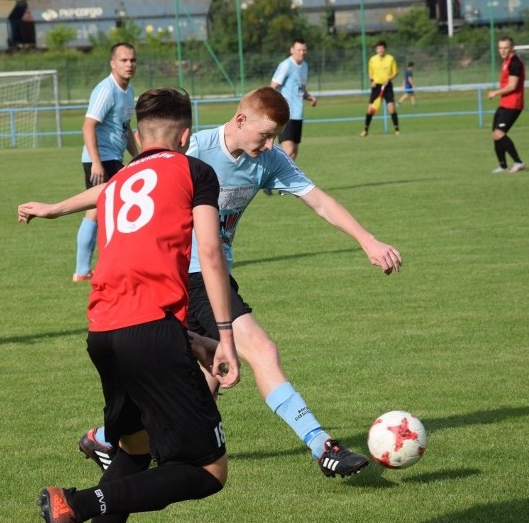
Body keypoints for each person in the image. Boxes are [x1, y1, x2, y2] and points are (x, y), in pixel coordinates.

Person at [80, 87, 403, 481]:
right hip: (192, 274)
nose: (269, 144)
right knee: (261, 349)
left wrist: (367, 240)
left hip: (211, 279)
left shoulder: (269, 159)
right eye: (264, 135)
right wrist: (57, 208)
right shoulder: (195, 148)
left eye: (274, 137)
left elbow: (318, 200)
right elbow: (127, 184)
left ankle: (106, 439)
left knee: (208, 382)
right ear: (240, 120)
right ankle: (323, 445)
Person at [19, 88, 240, 523]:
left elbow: (100, 202)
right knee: (208, 471)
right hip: (150, 330)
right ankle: (74, 503)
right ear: (186, 136)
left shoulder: (119, 180)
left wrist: (54, 209)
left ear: (137, 138)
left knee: (134, 448)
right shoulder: (195, 170)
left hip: (103, 332)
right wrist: (225, 337)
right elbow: (211, 255)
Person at [73, 43, 138, 282]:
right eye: (123, 60)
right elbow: (88, 125)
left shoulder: (128, 91)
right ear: (113, 63)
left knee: (98, 212)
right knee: (106, 211)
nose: (129, 64)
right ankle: (102, 267)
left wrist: (138, 154)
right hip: (101, 160)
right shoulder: (106, 89)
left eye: (132, 60)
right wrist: (96, 163)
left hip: (113, 158)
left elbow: (125, 126)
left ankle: (83, 270)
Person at [270, 39, 317, 161]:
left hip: (298, 114)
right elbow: (272, 87)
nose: (302, 52)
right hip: (287, 114)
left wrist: (309, 97)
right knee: (288, 151)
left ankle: (285, 178)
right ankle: (274, 177)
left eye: (304, 50)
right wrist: (274, 106)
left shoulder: (304, 66)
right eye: (299, 50)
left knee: (294, 152)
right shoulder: (286, 65)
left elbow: (301, 88)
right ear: (292, 50)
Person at [487, 36, 526, 173]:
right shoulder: (506, 61)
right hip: (504, 103)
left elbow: (513, 86)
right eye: (500, 48)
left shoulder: (515, 62)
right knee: (495, 134)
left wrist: (495, 92)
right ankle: (503, 166)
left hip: (513, 103)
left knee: (499, 133)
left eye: (505, 48)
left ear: (512, 48)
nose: (502, 51)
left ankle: (518, 162)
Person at [361, 40, 400, 137]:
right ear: (376, 50)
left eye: (382, 48)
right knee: (370, 109)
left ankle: (397, 129)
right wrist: (372, 81)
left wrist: (389, 79)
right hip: (376, 87)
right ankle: (365, 129)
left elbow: (395, 73)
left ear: (385, 49)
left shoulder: (390, 59)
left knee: (391, 107)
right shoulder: (372, 60)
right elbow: (370, 73)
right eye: (378, 48)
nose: (380, 50)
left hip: (387, 86)